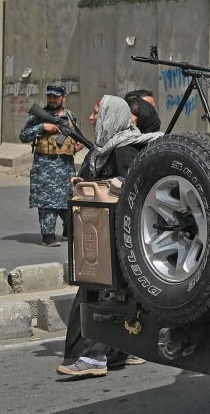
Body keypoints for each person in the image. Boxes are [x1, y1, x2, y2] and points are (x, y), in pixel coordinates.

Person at [58, 95, 160, 379]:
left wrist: (99, 186)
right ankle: (114, 353)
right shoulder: (110, 148)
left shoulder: (122, 150)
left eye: (96, 113)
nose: (92, 119)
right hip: (108, 235)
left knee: (96, 293)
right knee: (109, 293)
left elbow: (131, 189)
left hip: (113, 237)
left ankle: (92, 357)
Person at [18, 84, 82, 247]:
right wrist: (42, 127)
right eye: (50, 96)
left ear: (63, 98)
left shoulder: (70, 117)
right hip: (45, 167)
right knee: (47, 203)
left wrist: (75, 145)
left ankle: (69, 228)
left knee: (68, 200)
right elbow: (24, 136)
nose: (52, 99)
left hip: (66, 167)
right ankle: (48, 235)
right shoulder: (39, 116)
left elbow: (72, 137)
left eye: (56, 96)